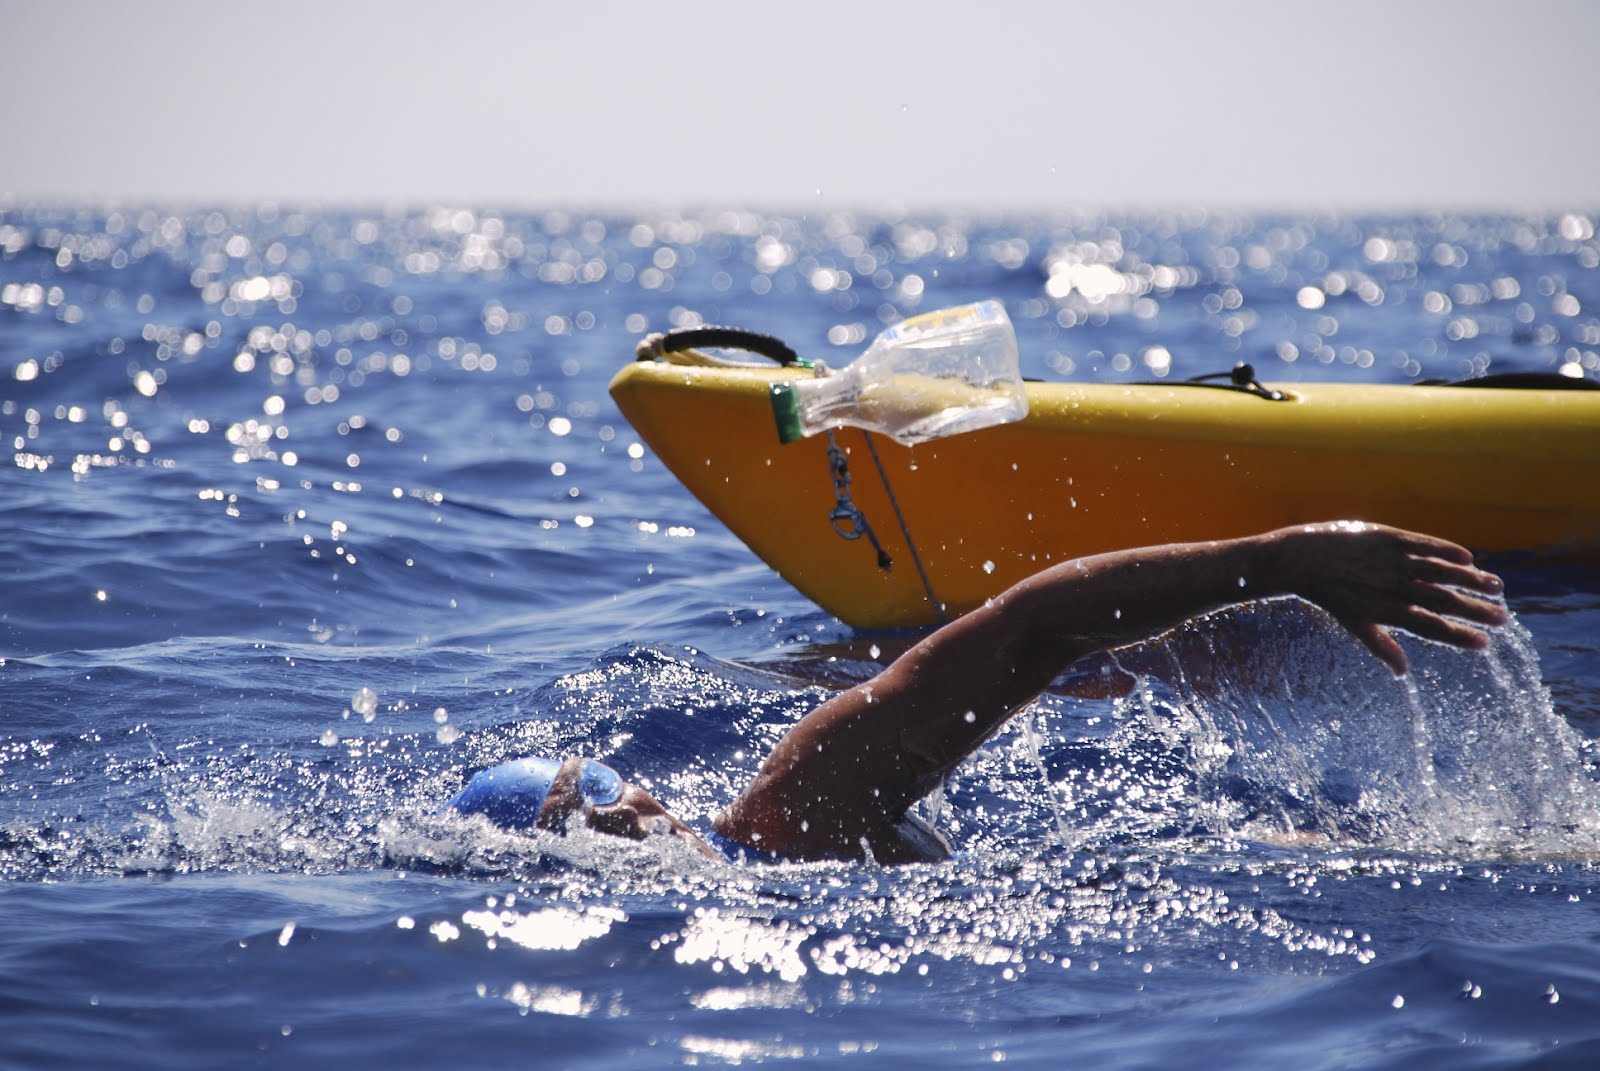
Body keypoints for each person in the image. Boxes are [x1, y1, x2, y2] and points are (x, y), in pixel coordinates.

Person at [447, 522, 1507, 864]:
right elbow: (1033, 628)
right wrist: (1278, 558)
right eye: (592, 803)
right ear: (568, 851)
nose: (636, 799)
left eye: (614, 780)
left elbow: (1030, 637)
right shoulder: (786, 819)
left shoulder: (775, 829)